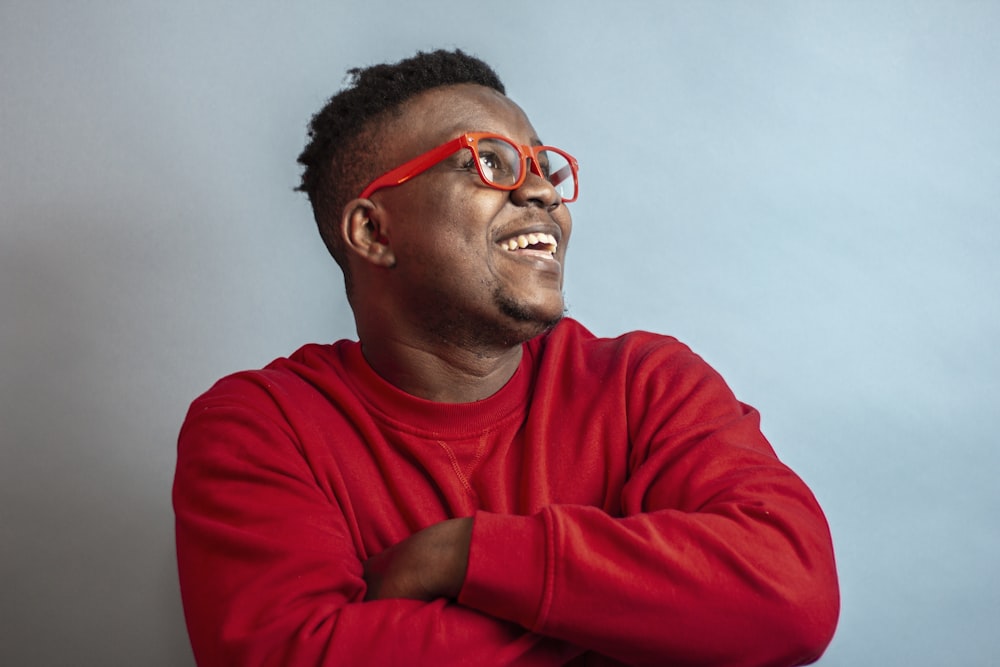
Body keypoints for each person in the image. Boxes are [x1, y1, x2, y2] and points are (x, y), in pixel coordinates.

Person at [173, 49, 839, 666]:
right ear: (374, 231)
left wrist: (463, 553)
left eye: (545, 169)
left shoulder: (648, 385)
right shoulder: (260, 427)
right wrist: (641, 619)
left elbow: (792, 592)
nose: (544, 192)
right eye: (490, 163)